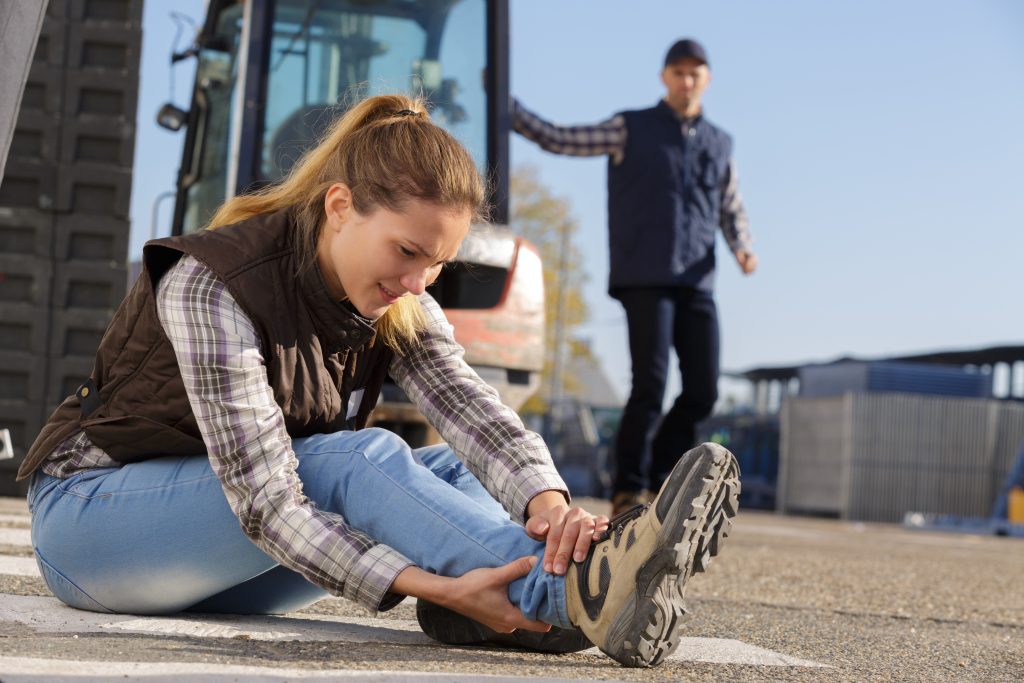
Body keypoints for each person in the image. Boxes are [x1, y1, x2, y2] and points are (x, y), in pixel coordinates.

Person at [17, 94, 740, 668]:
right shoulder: (212, 282)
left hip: (225, 555)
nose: (416, 281)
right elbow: (269, 503)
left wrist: (550, 509)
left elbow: (471, 410)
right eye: (406, 251)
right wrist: (426, 578)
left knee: (456, 470)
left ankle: (525, 593)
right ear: (340, 207)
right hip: (92, 530)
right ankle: (572, 594)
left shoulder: (401, 298)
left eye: (435, 265)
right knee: (353, 460)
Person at [513, 38, 757, 515]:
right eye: (678, 72)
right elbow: (561, 138)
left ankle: (663, 473)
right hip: (645, 274)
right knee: (650, 382)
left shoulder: (719, 142)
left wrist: (743, 248)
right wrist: (510, 109)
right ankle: (628, 486)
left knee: (703, 390)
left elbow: (730, 206)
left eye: (695, 73)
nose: (687, 81)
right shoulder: (631, 128)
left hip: (696, 279)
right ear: (665, 78)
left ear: (706, 80)